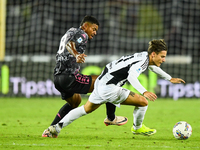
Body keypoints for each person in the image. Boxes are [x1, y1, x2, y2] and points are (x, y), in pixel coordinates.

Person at [45, 39, 185, 138]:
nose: (164, 59)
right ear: (153, 54)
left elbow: (153, 67)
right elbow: (131, 77)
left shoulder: (144, 56)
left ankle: (56, 127)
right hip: (109, 88)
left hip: (101, 82)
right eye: (162, 56)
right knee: (143, 102)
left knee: (85, 109)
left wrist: (169, 78)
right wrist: (144, 91)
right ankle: (136, 128)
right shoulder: (142, 62)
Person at [42, 16, 128, 137]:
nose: (95, 33)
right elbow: (70, 45)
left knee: (75, 102)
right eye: (93, 29)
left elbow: (68, 43)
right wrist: (76, 54)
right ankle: (111, 117)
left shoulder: (71, 31)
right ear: (85, 26)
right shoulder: (82, 34)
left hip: (58, 78)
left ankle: (50, 131)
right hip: (70, 77)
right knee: (108, 82)